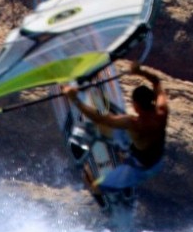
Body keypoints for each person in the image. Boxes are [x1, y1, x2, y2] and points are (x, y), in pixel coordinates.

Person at [62, 61, 169, 206]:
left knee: (94, 185)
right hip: (156, 161)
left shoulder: (132, 123)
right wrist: (140, 71)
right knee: (114, 131)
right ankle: (116, 150)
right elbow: (156, 82)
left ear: (136, 106)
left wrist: (74, 99)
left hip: (140, 169)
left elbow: (100, 118)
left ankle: (112, 195)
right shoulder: (162, 111)